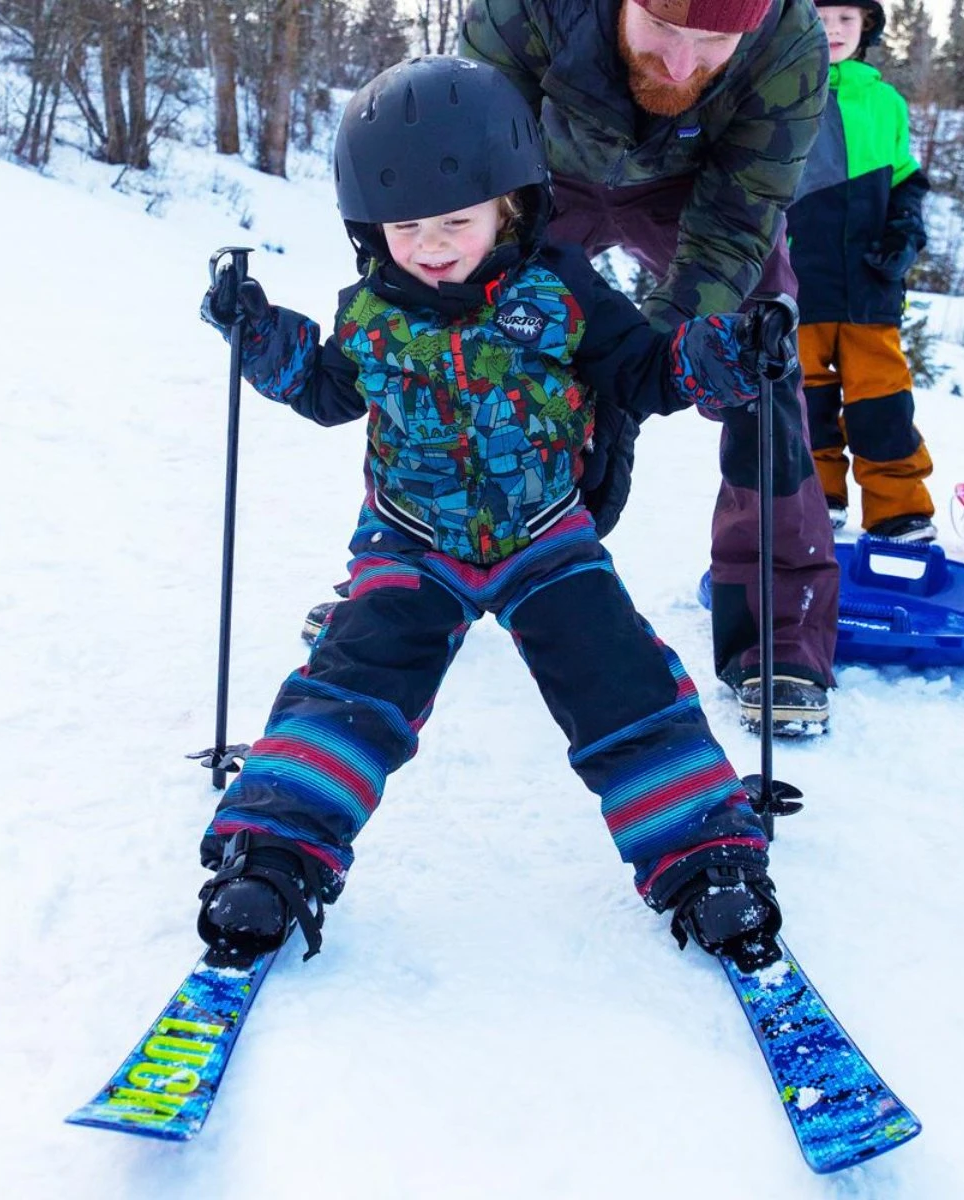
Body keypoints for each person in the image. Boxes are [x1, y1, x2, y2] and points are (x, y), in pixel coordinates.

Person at [194, 56, 794, 975]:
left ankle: (704, 853)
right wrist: (258, 334)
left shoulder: (560, 292)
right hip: (411, 542)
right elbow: (322, 389)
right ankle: (275, 853)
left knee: (618, 677)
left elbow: (645, 370)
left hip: (545, 535)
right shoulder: (371, 311)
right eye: (405, 226)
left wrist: (728, 354)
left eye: (456, 221)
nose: (430, 245)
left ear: (510, 206)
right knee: (353, 682)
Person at [459, 0, 840, 738]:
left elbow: (735, 225)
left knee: (757, 354)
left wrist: (635, 380)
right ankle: (411, 573)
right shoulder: (524, 8)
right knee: (458, 331)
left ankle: (780, 629)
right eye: (662, 27)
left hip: (693, 192)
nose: (680, 64)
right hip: (537, 179)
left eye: (713, 41)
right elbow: (467, 169)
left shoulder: (788, 41)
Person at [787, 2, 935, 542]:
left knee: (883, 399)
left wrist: (904, 234)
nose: (833, 29)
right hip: (798, 283)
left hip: (870, 283)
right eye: (820, 16)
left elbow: (905, 182)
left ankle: (898, 509)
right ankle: (817, 497)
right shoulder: (781, 92)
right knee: (803, 398)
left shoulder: (885, 102)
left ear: (867, 25)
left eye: (846, 18)